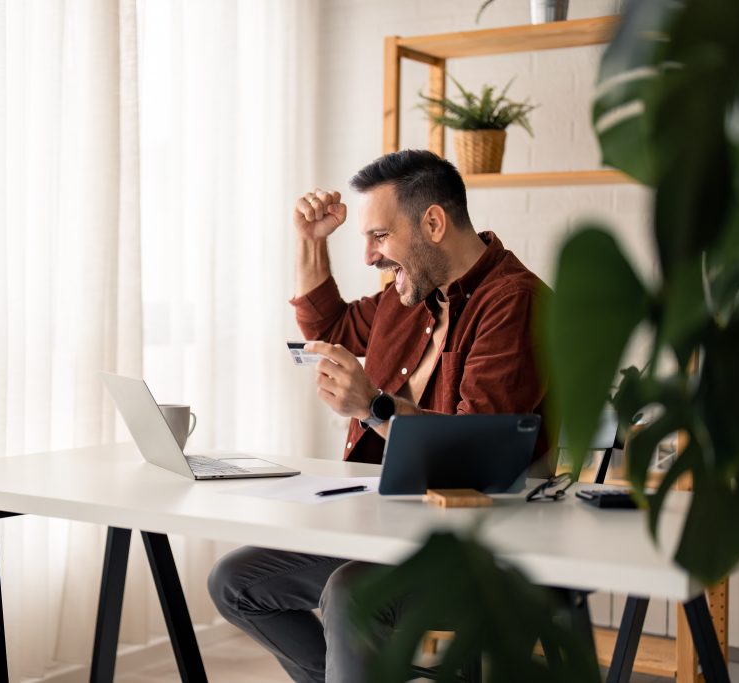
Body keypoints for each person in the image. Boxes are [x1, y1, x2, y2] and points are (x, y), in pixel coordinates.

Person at [206, 149, 551, 683]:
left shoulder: (514, 302)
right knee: (235, 580)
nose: (368, 256)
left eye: (379, 237)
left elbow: (477, 456)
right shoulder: (410, 294)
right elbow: (331, 328)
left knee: (352, 593)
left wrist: (373, 406)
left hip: (476, 547)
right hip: (385, 529)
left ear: (433, 223)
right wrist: (311, 241)